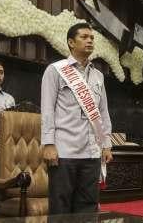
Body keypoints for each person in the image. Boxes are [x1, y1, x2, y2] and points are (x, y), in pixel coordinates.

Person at [41, 23, 113, 214]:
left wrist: (106, 144)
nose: (89, 40)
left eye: (92, 37)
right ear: (71, 42)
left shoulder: (98, 76)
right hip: (64, 152)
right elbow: (47, 110)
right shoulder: (55, 70)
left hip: (92, 153)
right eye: (84, 37)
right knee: (60, 208)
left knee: (88, 208)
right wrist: (48, 144)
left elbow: (103, 112)